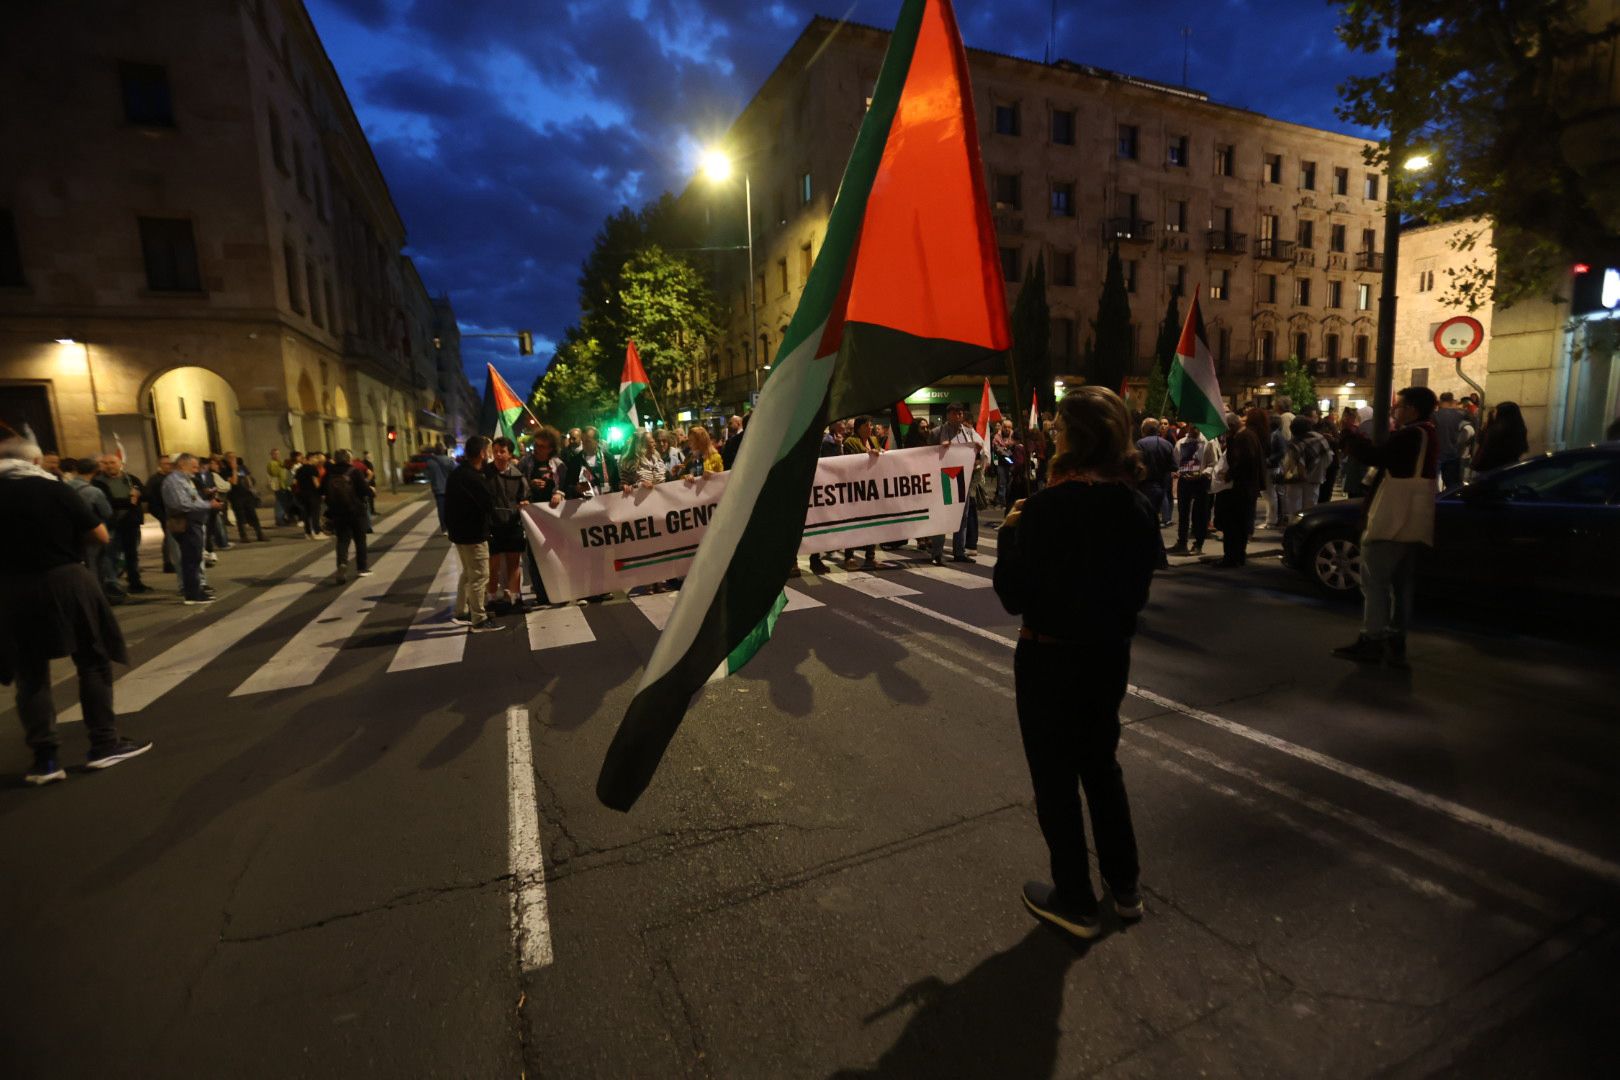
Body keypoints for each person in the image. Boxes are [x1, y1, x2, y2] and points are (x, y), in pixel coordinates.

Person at [992, 387, 1157, 940]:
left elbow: (1013, 595)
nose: (1054, 434)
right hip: (1109, 656)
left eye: (1060, 427)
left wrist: (1010, 535)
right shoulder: (1137, 504)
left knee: (1056, 778)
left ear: (1074, 437)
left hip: (1049, 656)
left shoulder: (1044, 509)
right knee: (1101, 767)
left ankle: (1075, 899)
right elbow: (1136, 593)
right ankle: (1126, 887)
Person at [0, 438, 152, 785]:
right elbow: (98, 535)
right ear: (36, 460)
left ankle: (45, 760)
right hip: (64, 580)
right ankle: (104, 743)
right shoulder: (53, 489)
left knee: (30, 673)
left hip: (11, 590)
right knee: (93, 659)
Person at [1333, 386, 1440, 668]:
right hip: (1412, 519)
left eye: (1400, 406)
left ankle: (1372, 639)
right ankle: (1395, 635)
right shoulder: (1429, 433)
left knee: (1375, 582)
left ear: (1413, 410)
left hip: (1393, 518)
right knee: (1400, 583)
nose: (1395, 410)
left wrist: (1351, 434)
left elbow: (1376, 456)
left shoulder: (1410, 435)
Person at [445, 435, 502, 631]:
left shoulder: (458, 473)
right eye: (488, 451)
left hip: (459, 534)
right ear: (481, 454)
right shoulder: (474, 478)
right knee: (479, 576)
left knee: (468, 574)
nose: (490, 454)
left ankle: (461, 610)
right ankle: (479, 618)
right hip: (474, 534)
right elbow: (488, 503)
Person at [1208, 408, 1268, 568]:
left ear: (1231, 426)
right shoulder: (1249, 436)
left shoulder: (1243, 438)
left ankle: (1231, 557)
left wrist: (1228, 475)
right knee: (1240, 526)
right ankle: (1238, 556)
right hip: (1246, 488)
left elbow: (1242, 462)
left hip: (1239, 490)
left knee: (1232, 526)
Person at [930, 402, 987, 566]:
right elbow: (926, 454)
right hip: (944, 480)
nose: (957, 416)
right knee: (942, 516)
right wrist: (940, 449)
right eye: (954, 413)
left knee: (962, 517)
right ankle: (937, 553)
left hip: (963, 479)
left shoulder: (969, 433)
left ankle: (959, 551)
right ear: (948, 415)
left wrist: (977, 450)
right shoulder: (937, 432)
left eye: (960, 413)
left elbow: (981, 451)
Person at [163, 454, 221, 604]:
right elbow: (182, 504)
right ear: (182, 464)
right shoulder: (174, 481)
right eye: (194, 467)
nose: (196, 470)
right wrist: (209, 505)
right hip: (186, 523)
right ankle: (192, 595)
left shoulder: (185, 480)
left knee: (194, 558)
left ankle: (196, 590)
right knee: (190, 559)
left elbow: (194, 499)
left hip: (193, 522)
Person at [484, 436, 530, 612]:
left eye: (502, 451)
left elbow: (524, 497)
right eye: (495, 451)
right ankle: (492, 599)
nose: (498, 455)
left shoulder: (517, 476)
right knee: (493, 567)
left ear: (510, 454)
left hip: (513, 525)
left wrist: (524, 503)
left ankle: (516, 598)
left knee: (514, 563)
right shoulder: (485, 474)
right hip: (492, 527)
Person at [94, 453, 149, 595]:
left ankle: (135, 582)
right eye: (105, 463)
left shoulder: (131, 479)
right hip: (112, 523)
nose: (109, 466)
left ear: (120, 464)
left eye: (112, 462)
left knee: (132, 554)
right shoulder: (98, 482)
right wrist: (129, 501)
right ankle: (112, 584)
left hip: (131, 523)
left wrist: (137, 497)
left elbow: (145, 494)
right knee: (110, 555)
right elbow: (108, 502)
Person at [523, 426, 565, 606]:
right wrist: (530, 485)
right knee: (535, 555)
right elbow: (518, 486)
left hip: (553, 516)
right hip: (532, 517)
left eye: (543, 446)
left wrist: (560, 493)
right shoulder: (526, 463)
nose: (538, 449)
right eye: (537, 445)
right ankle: (541, 593)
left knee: (556, 552)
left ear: (551, 448)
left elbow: (565, 484)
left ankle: (560, 590)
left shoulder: (558, 464)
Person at [320, 449, 371, 585]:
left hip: (337, 512)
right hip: (356, 511)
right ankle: (362, 568)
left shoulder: (328, 473)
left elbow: (321, 491)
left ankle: (342, 564)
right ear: (348, 459)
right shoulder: (354, 472)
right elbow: (364, 490)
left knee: (342, 540)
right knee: (360, 539)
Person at [1168, 425, 1217, 556]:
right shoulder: (1181, 442)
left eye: (1196, 427)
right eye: (1192, 427)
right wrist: (1178, 472)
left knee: (1200, 513)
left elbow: (1213, 463)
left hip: (1201, 481)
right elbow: (1176, 461)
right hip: (1185, 480)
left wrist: (1203, 473)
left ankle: (1198, 543)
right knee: (1183, 512)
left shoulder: (1208, 442)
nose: (1194, 430)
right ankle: (1182, 542)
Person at [843, 416, 883, 571]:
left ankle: (870, 556)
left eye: (871, 425)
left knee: (872, 523)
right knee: (853, 522)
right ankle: (849, 556)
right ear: (859, 428)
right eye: (867, 425)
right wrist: (868, 455)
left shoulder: (873, 440)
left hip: (872, 487)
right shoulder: (850, 442)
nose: (870, 427)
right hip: (856, 487)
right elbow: (851, 462)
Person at [1277, 417, 1331, 521]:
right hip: (1315, 477)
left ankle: (1295, 526)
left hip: (1296, 479)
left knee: (1294, 506)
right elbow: (1328, 458)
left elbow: (1288, 463)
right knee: (1311, 506)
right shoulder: (1320, 439)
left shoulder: (1294, 442)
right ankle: (1308, 527)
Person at [1134, 419, 1176, 530]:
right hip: (1161, 486)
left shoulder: (1139, 444)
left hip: (1144, 486)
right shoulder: (1167, 445)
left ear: (1144, 430)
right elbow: (1174, 466)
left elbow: (1135, 465)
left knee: (1144, 521)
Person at [562, 426, 624, 497]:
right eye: (583, 441)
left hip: (606, 502)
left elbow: (616, 482)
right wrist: (576, 489)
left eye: (588, 441)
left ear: (597, 441)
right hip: (586, 505)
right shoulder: (575, 461)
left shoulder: (608, 459)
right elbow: (567, 486)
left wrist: (623, 486)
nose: (584, 444)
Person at [1471, 400, 1529, 473]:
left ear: (1503, 414)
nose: (1494, 414)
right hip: (1510, 466)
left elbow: (1483, 447)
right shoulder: (1520, 428)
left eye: (1496, 411)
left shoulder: (1496, 431)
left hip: (1490, 468)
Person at [222, 452, 266, 542]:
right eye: (230, 458)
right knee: (240, 516)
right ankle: (244, 535)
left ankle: (259, 534)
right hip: (235, 496)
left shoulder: (242, 467)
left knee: (253, 514)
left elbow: (248, 478)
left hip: (247, 494)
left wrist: (252, 488)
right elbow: (233, 482)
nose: (233, 459)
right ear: (226, 460)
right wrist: (234, 469)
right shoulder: (225, 471)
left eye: (234, 457)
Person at [145, 454, 176, 575]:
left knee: (172, 537)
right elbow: (151, 499)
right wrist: (161, 515)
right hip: (164, 513)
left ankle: (171, 561)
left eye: (170, 463)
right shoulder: (155, 480)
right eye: (165, 464)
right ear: (160, 465)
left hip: (174, 512)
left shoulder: (173, 477)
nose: (168, 466)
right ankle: (168, 563)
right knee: (169, 538)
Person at [1432, 392, 1467, 490]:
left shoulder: (1434, 415)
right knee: (1452, 485)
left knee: (1433, 485)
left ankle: (1437, 502)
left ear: (1440, 401)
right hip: (1453, 453)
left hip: (1437, 453)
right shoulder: (1460, 415)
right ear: (1452, 401)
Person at [424, 443, 456, 532]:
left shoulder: (430, 462)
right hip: (449, 488)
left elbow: (427, 475)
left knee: (441, 509)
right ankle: (451, 526)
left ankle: (444, 528)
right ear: (443, 450)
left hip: (437, 489)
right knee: (450, 509)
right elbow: (456, 471)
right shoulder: (449, 460)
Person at [294, 450, 325, 539]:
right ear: (310, 458)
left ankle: (307, 533)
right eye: (316, 458)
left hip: (302, 494)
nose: (317, 460)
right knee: (315, 513)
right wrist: (321, 492)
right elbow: (316, 483)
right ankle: (317, 532)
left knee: (306, 514)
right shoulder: (312, 468)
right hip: (313, 494)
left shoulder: (300, 469)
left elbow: (295, 482)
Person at [266, 448, 292, 526]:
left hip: (284, 485)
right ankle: (279, 519)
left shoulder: (280, 462)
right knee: (280, 503)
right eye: (275, 454)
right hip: (278, 486)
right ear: (271, 455)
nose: (277, 455)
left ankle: (284, 518)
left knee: (285, 502)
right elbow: (274, 473)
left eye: (278, 453)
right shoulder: (271, 463)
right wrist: (282, 466)